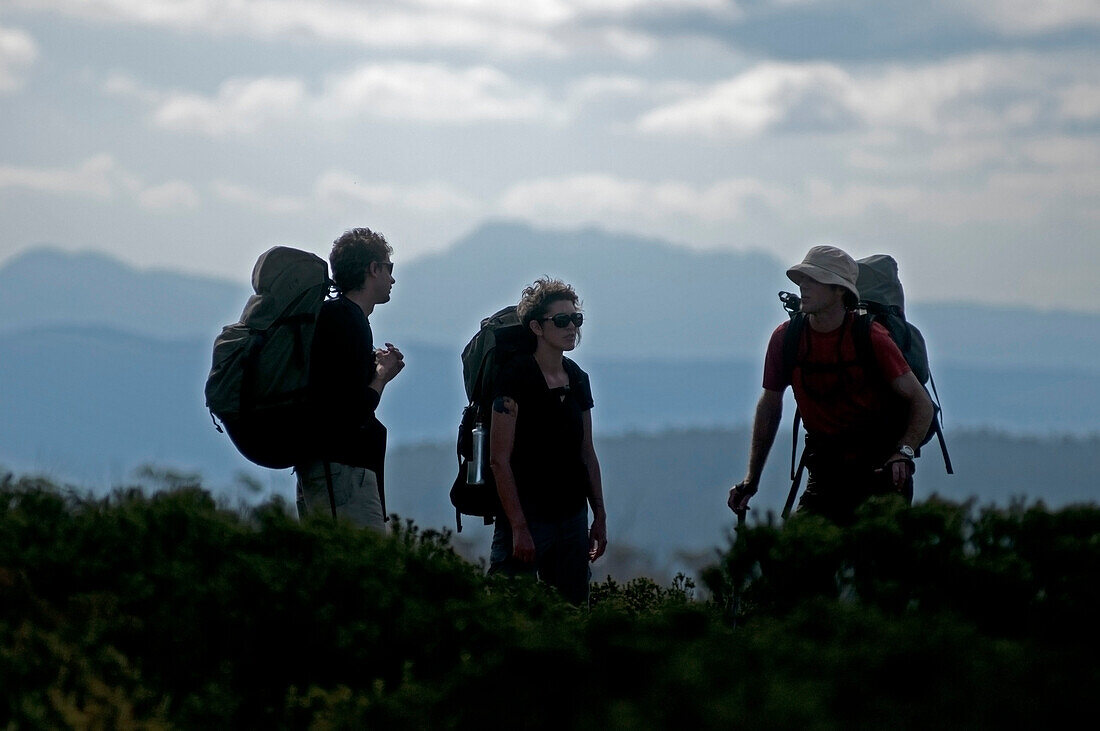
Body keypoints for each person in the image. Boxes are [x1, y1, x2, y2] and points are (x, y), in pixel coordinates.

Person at [728, 245, 934, 525]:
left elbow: (921, 403)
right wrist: (751, 480)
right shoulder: (786, 338)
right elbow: (770, 405)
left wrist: (904, 452)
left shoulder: (872, 337)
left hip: (881, 472)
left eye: (814, 280)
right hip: (825, 473)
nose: (803, 286)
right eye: (802, 279)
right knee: (799, 562)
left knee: (878, 566)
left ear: (840, 291)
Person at [488, 277, 608, 605]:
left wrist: (599, 515)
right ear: (537, 328)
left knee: (571, 620)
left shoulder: (578, 379)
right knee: (513, 615)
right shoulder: (515, 378)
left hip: (571, 518)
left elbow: (587, 452)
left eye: (576, 319)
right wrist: (519, 528)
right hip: (527, 517)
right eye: (562, 320)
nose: (572, 327)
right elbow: (499, 459)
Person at [295, 227, 405, 530]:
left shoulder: (335, 316)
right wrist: (382, 377)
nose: (392, 279)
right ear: (373, 269)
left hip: (324, 473)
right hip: (342, 477)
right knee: (358, 573)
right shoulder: (349, 321)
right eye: (388, 268)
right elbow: (353, 411)